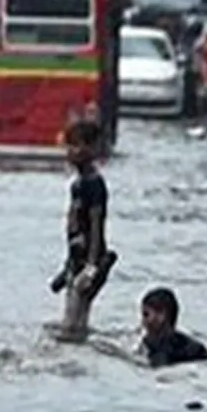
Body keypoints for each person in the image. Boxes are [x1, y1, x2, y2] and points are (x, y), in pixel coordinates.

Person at [54, 120, 116, 343]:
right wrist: (68, 265)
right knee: (71, 320)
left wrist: (91, 267)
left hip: (91, 260)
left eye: (77, 146)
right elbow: (72, 227)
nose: (71, 152)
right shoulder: (77, 184)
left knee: (72, 324)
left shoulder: (95, 184)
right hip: (76, 259)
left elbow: (97, 224)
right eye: (68, 146)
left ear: (92, 148)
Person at [139, 287, 207, 367]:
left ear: (161, 315)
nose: (143, 321)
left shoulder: (160, 353)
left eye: (146, 314)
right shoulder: (195, 346)